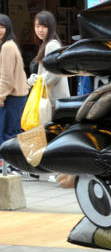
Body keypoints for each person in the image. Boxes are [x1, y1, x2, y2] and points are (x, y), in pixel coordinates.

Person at [28, 11, 71, 184]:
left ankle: (56, 170)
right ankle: (54, 169)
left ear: (50, 27)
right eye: (37, 26)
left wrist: (32, 79)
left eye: (43, 26)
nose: (40, 30)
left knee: (53, 134)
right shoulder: (48, 44)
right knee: (53, 134)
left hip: (53, 99)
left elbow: (52, 75)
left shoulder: (51, 45)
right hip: (51, 98)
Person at [0, 15, 28, 152]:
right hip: (16, 97)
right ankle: (13, 165)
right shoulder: (9, 45)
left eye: (2, 27)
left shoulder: (7, 47)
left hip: (11, 97)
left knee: (7, 133)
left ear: (8, 28)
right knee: (12, 132)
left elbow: (6, 78)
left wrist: (1, 96)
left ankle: (9, 166)